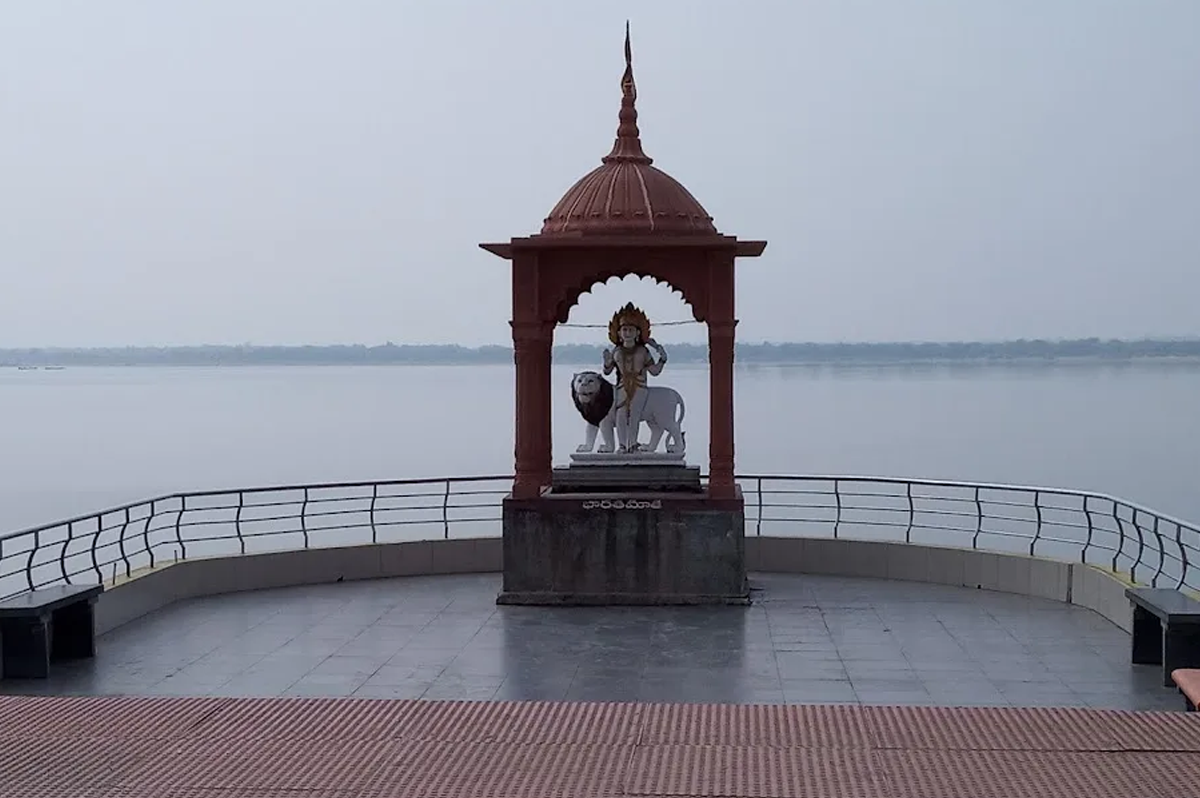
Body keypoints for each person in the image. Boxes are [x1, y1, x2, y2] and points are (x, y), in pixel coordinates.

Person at [603, 302, 668, 452]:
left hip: (639, 386)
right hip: (621, 386)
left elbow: (654, 371)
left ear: (638, 333)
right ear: (619, 333)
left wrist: (662, 359)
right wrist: (606, 363)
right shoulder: (616, 351)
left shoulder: (643, 351)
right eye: (624, 329)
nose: (627, 333)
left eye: (631, 329)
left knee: (634, 415)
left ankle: (632, 444)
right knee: (620, 415)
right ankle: (622, 445)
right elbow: (607, 371)